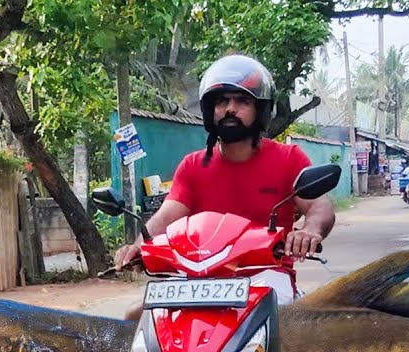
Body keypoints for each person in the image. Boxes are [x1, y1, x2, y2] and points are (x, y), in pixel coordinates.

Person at [112, 54, 335, 313]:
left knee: (285, 323)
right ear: (211, 111)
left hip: (265, 276)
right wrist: (138, 247)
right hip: (198, 277)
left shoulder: (288, 159)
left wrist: (309, 231)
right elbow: (166, 218)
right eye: (222, 101)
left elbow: (320, 207)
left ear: (260, 109)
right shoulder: (193, 166)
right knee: (136, 316)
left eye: (242, 101)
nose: (230, 109)